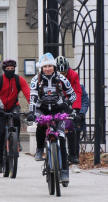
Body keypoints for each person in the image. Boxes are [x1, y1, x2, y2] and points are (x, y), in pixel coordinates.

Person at [26, 53, 77, 183]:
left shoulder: (61, 78)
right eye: (45, 66)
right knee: (41, 125)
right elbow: (32, 98)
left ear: (54, 67)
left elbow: (73, 95)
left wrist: (67, 104)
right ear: (41, 68)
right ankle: (39, 149)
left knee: (61, 137)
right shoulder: (35, 80)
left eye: (50, 66)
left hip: (58, 108)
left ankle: (65, 171)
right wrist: (31, 112)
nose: (48, 69)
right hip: (41, 108)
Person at [0, 59, 30, 174]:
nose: (10, 71)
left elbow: (28, 93)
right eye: (7, 69)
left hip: (12, 106)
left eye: (12, 69)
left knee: (16, 117)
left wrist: (33, 107)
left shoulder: (19, 80)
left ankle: (17, 140)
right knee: (0, 134)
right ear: (4, 70)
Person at [56, 56, 83, 165]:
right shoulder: (50, 75)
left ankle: (72, 154)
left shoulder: (73, 75)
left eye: (65, 73)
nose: (63, 76)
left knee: (70, 125)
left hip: (68, 101)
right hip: (55, 101)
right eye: (60, 73)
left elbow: (77, 92)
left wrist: (76, 110)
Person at [73, 84, 89, 173]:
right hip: (62, 114)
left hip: (76, 115)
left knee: (75, 141)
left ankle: (75, 162)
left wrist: (82, 113)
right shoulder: (56, 84)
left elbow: (85, 100)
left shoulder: (79, 86)